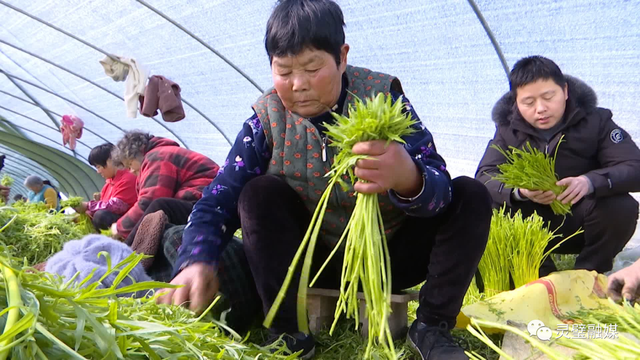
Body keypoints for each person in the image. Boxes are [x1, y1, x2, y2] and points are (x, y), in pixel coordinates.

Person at [158, 1, 492, 359]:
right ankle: (285, 332)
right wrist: (196, 257)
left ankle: (430, 327)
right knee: (258, 193)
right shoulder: (266, 118)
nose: (298, 85)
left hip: (391, 259)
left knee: (471, 194)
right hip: (310, 263)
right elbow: (219, 197)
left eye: (313, 67)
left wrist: (408, 177)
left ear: (342, 57)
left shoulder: (384, 97)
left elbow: (438, 183)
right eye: (283, 72)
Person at [476, 56, 640, 277]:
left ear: (565, 91)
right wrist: (520, 193)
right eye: (528, 102)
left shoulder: (597, 121)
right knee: (488, 207)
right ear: (516, 102)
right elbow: (485, 175)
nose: (540, 109)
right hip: (532, 222)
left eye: (548, 97)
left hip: (581, 220)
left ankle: (589, 273)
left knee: (622, 206)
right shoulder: (507, 130)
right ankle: (541, 276)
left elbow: (633, 166)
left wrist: (589, 182)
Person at [111, 131, 219, 243]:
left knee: (160, 206)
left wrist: (119, 227)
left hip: (207, 203)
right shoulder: (161, 153)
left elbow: (149, 200)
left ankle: (126, 253)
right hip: (208, 201)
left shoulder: (157, 157)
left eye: (130, 164)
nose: (132, 171)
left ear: (137, 153)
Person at [74, 143, 137, 230]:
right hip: (119, 223)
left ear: (110, 161)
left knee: (101, 216)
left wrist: (88, 206)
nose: (98, 171)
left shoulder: (128, 178)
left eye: (99, 167)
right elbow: (104, 204)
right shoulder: (109, 183)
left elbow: (116, 206)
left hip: (129, 225)